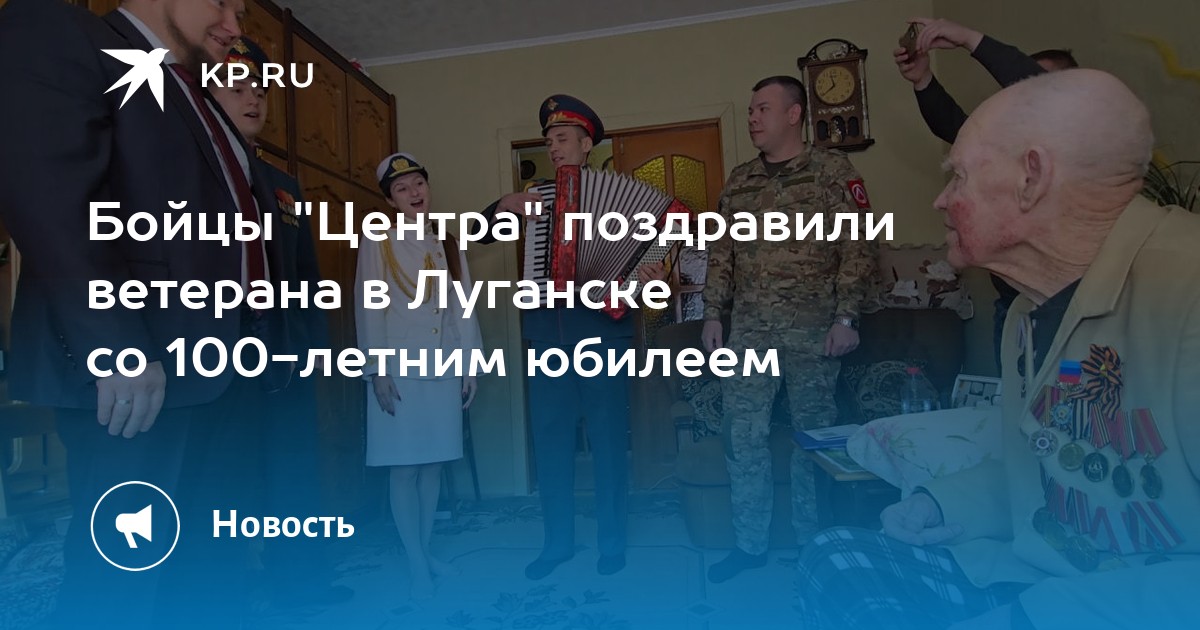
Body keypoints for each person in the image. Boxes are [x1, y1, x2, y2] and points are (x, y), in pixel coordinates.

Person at [797, 69, 1197, 630]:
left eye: (958, 176)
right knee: (835, 559)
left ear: (1031, 177)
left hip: (1128, 604)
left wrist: (1030, 618)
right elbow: (1042, 470)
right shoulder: (1028, 312)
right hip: (1039, 573)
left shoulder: (1186, 292)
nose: (940, 200)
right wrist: (940, 502)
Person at [0, 0, 302, 626]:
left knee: (210, 570)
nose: (235, 26)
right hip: (138, 380)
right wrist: (115, 346)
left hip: (223, 375)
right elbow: (51, 198)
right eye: (222, 2)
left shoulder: (193, 94)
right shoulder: (65, 34)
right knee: (123, 582)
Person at [474, 95, 663, 579]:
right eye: (549, 141)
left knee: (608, 439)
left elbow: (651, 262)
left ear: (585, 144)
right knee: (551, 440)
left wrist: (647, 276)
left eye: (562, 139)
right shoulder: (535, 198)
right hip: (546, 336)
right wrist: (504, 205)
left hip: (603, 334)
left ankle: (612, 541)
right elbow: (478, 233)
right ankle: (556, 543)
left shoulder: (625, 198)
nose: (554, 148)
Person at [700, 76, 876, 583]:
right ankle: (749, 544)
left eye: (763, 108)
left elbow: (858, 246)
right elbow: (722, 252)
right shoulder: (740, 181)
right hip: (750, 332)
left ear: (794, 114)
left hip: (814, 332)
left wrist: (847, 318)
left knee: (813, 441)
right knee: (743, 436)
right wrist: (712, 313)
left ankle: (812, 543)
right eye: (750, 110)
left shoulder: (832, 172)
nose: (753, 118)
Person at [207, 36, 352, 610]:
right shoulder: (193, 172)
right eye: (237, 87)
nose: (253, 99)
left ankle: (301, 586)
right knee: (224, 484)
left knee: (293, 475)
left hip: (284, 357)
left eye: (260, 91)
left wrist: (313, 352)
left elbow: (308, 278)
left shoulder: (284, 185)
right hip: (216, 359)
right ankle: (228, 598)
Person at [894, 17, 1078, 372]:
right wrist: (923, 80)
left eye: (1037, 86)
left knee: (1070, 401)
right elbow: (957, 128)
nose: (1025, 96)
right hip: (1013, 306)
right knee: (1014, 398)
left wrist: (968, 38)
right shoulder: (1009, 151)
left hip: (1068, 308)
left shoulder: (1082, 145)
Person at [356, 153, 481, 600]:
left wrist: (470, 364)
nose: (414, 193)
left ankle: (424, 553)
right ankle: (415, 563)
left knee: (433, 465)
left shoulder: (446, 241)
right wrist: (376, 370)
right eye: (402, 188)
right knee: (404, 467)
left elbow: (463, 306)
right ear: (390, 200)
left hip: (443, 367)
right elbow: (369, 303)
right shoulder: (378, 239)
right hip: (400, 371)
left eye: (419, 184)